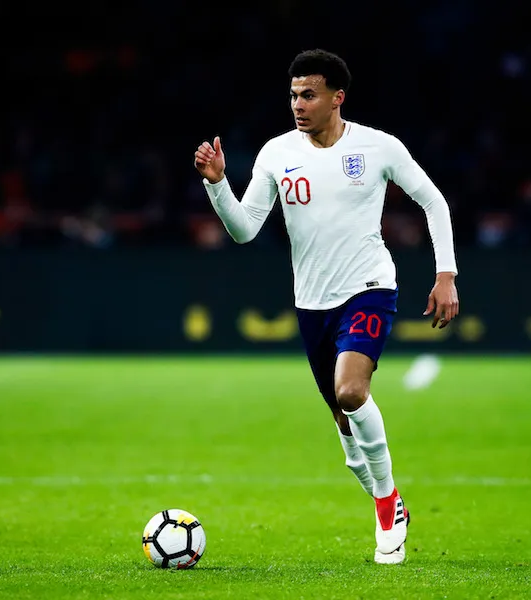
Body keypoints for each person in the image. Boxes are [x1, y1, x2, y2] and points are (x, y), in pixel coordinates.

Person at [193, 49, 459, 564]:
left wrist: (445, 273)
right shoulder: (276, 154)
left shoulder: (378, 147)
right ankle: (387, 496)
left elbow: (434, 201)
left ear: (337, 98)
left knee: (352, 392)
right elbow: (244, 230)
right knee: (345, 429)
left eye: (309, 95)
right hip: (312, 302)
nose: (298, 104)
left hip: (369, 286)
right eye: (294, 95)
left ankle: (386, 506)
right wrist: (218, 184)